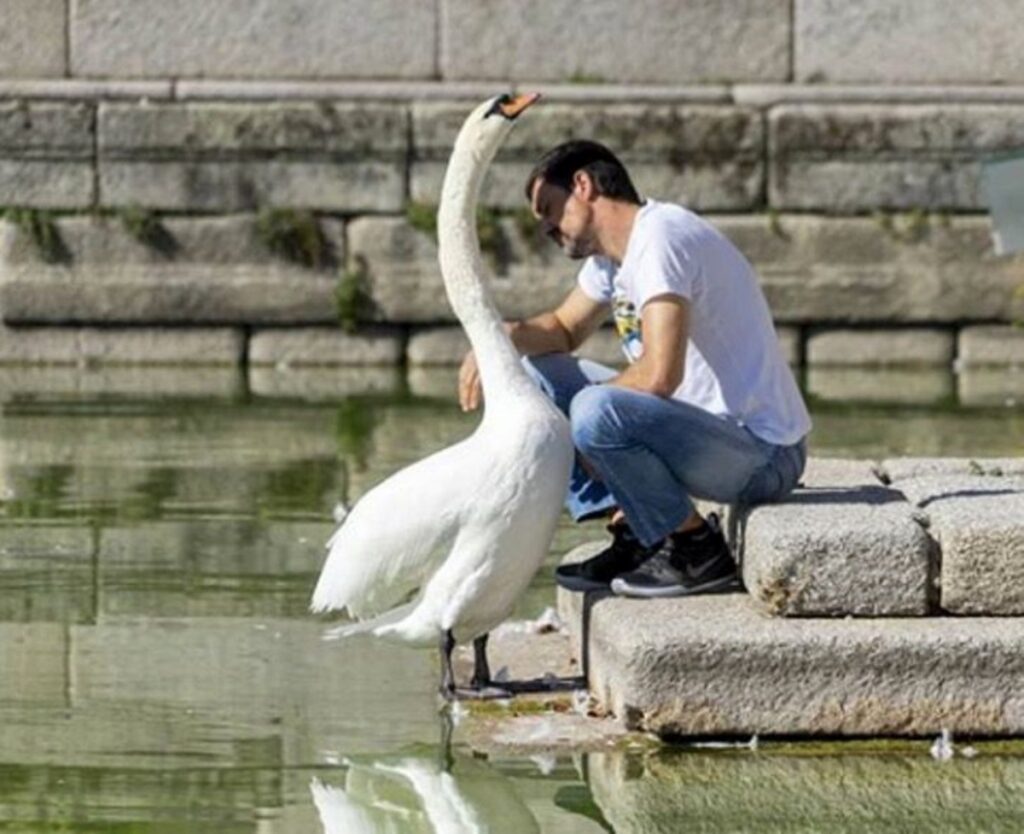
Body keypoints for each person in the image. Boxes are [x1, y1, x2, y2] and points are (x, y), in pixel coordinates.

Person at [458, 140, 811, 598]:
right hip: (703, 438)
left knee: (595, 411)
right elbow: (563, 330)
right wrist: (497, 338)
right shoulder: (612, 260)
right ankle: (638, 533)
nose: (547, 227)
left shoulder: (660, 238)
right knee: (531, 374)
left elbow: (661, 375)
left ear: (582, 185)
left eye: (549, 209)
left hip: (764, 454)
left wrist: (586, 429)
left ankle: (695, 549)